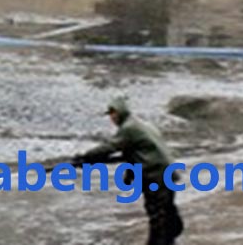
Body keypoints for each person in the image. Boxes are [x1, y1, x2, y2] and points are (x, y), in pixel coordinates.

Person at [73, 96, 183, 245]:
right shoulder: (142, 125)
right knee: (167, 209)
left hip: (156, 175)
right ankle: (170, 237)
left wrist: (86, 157)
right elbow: (136, 154)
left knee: (156, 214)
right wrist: (130, 174)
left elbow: (110, 147)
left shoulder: (128, 129)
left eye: (112, 114)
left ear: (119, 112)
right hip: (168, 172)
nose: (111, 118)